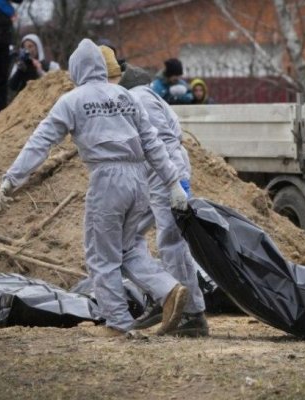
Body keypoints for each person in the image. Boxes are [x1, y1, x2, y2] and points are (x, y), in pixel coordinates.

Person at [0, 39, 190, 337]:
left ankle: (119, 323)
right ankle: (168, 289)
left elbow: (41, 141)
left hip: (106, 179)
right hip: (139, 179)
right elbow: (152, 142)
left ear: (76, 70)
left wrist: (13, 177)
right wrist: (173, 182)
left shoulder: (72, 100)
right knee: (128, 248)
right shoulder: (126, 96)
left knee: (102, 256)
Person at [118, 62, 209, 337]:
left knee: (171, 242)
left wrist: (175, 183)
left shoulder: (138, 98)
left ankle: (191, 314)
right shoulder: (148, 95)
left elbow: (163, 142)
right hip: (159, 174)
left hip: (164, 173)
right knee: (129, 238)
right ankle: (163, 297)